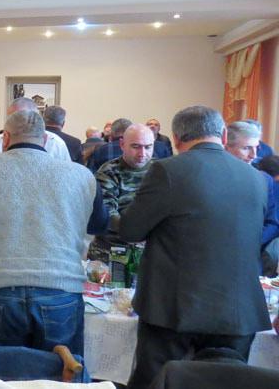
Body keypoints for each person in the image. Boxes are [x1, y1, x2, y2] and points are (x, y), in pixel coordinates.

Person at [119, 106, 271, 389]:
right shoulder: (257, 178)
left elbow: (131, 230)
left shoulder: (167, 170)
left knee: (156, 383)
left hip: (174, 306)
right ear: (223, 136)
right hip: (237, 309)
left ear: (176, 139)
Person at [0, 110, 105, 353]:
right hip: (60, 288)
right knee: (60, 369)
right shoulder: (81, 175)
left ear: (5, 138)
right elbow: (98, 224)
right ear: (46, 139)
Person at [88, 124, 155, 261]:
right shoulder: (108, 172)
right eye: (136, 146)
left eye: (148, 147)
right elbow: (107, 213)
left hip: (150, 251)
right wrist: (137, 233)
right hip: (112, 250)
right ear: (122, 144)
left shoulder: (160, 171)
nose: (142, 154)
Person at [225, 121, 279, 275]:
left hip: (251, 258)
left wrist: (252, 241)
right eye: (246, 148)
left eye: (256, 148)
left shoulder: (265, 180)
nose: (254, 155)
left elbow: (272, 222)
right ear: (226, 147)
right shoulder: (209, 177)